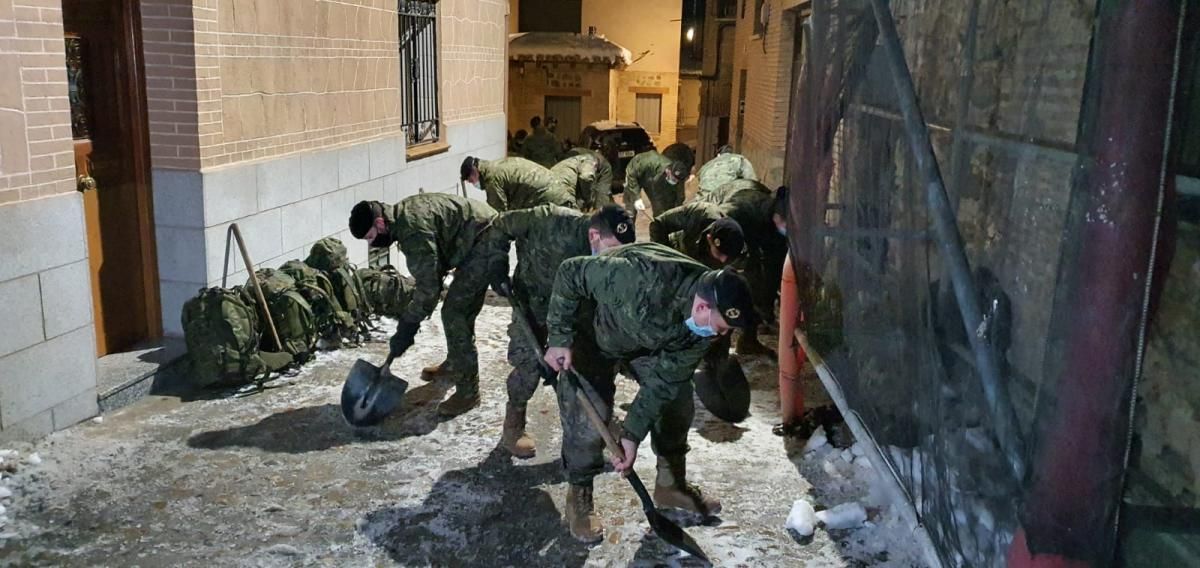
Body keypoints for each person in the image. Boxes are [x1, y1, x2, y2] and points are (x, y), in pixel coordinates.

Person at [543, 243, 757, 542]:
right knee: (590, 421)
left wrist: (631, 434)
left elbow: (664, 381)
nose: (721, 336)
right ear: (702, 307)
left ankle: (670, 485)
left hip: (644, 341)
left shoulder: (701, 329)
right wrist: (559, 337)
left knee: (678, 401)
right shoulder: (640, 279)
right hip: (591, 334)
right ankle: (579, 494)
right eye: (720, 328)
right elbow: (570, 272)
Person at [484, 204, 637, 458]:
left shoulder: (610, 260)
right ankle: (513, 427)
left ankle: (601, 419)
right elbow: (499, 224)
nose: (613, 260)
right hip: (532, 306)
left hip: (576, 315)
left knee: (591, 366)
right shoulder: (549, 219)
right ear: (593, 236)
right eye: (611, 250)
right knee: (528, 367)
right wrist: (497, 263)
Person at [347, 194, 505, 417]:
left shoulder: (412, 230)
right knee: (455, 310)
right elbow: (433, 267)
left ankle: (469, 392)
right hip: (474, 237)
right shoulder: (401, 217)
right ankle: (455, 364)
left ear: (380, 223)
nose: (372, 243)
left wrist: (408, 324)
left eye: (371, 236)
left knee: (455, 313)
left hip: (485, 240)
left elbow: (429, 288)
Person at [696, 180, 789, 356]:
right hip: (722, 226)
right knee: (727, 286)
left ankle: (748, 341)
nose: (787, 229)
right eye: (785, 224)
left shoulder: (776, 228)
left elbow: (773, 266)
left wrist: (766, 307)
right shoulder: (739, 210)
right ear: (778, 216)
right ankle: (715, 347)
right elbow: (710, 236)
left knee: (751, 284)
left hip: (750, 238)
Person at [649, 202, 746, 269]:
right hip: (679, 250)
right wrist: (667, 259)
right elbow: (658, 224)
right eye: (719, 254)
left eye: (727, 258)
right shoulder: (700, 213)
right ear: (709, 238)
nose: (723, 260)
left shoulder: (737, 247)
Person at [460, 156, 575, 211]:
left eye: (470, 180)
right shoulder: (497, 165)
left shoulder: (492, 179)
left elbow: (500, 215)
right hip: (559, 190)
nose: (472, 183)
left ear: (475, 171)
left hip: (548, 199)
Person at [623, 150, 691, 223]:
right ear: (668, 171)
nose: (674, 182)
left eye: (676, 181)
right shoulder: (648, 161)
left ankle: (660, 228)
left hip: (653, 180)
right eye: (673, 179)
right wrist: (637, 198)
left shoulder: (679, 177)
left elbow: (679, 198)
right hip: (635, 175)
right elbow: (631, 174)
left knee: (660, 208)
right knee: (631, 208)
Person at [694, 146, 758, 202]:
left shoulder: (706, 165)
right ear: (731, 153)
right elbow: (752, 182)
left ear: (718, 155)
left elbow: (698, 183)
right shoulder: (739, 159)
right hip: (725, 198)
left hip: (703, 199)